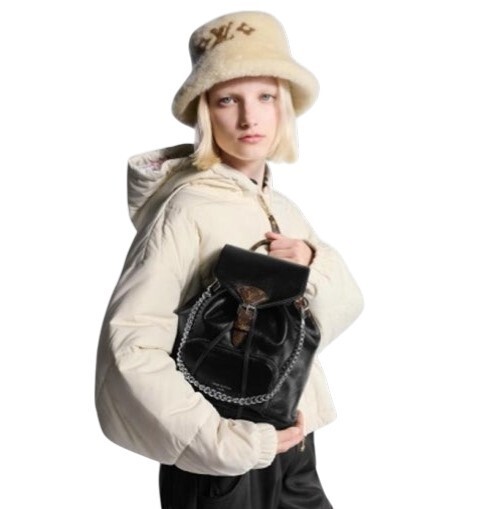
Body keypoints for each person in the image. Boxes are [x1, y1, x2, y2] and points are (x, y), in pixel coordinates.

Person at [95, 10, 364, 509]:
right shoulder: (187, 209)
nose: (248, 117)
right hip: (222, 465)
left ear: (284, 105)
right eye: (227, 100)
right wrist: (224, 442)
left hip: (293, 446)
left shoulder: (284, 208)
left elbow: (328, 319)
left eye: (265, 96)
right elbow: (131, 347)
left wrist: (312, 260)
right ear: (205, 112)